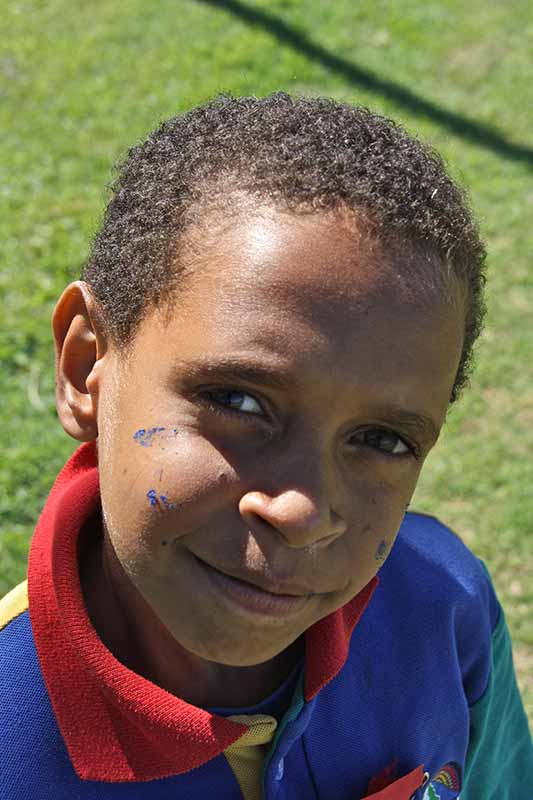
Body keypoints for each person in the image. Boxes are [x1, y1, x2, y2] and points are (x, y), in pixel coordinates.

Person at [0, 93, 531, 800]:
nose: (302, 511)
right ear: (85, 366)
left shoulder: (441, 605)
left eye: (381, 439)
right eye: (238, 401)